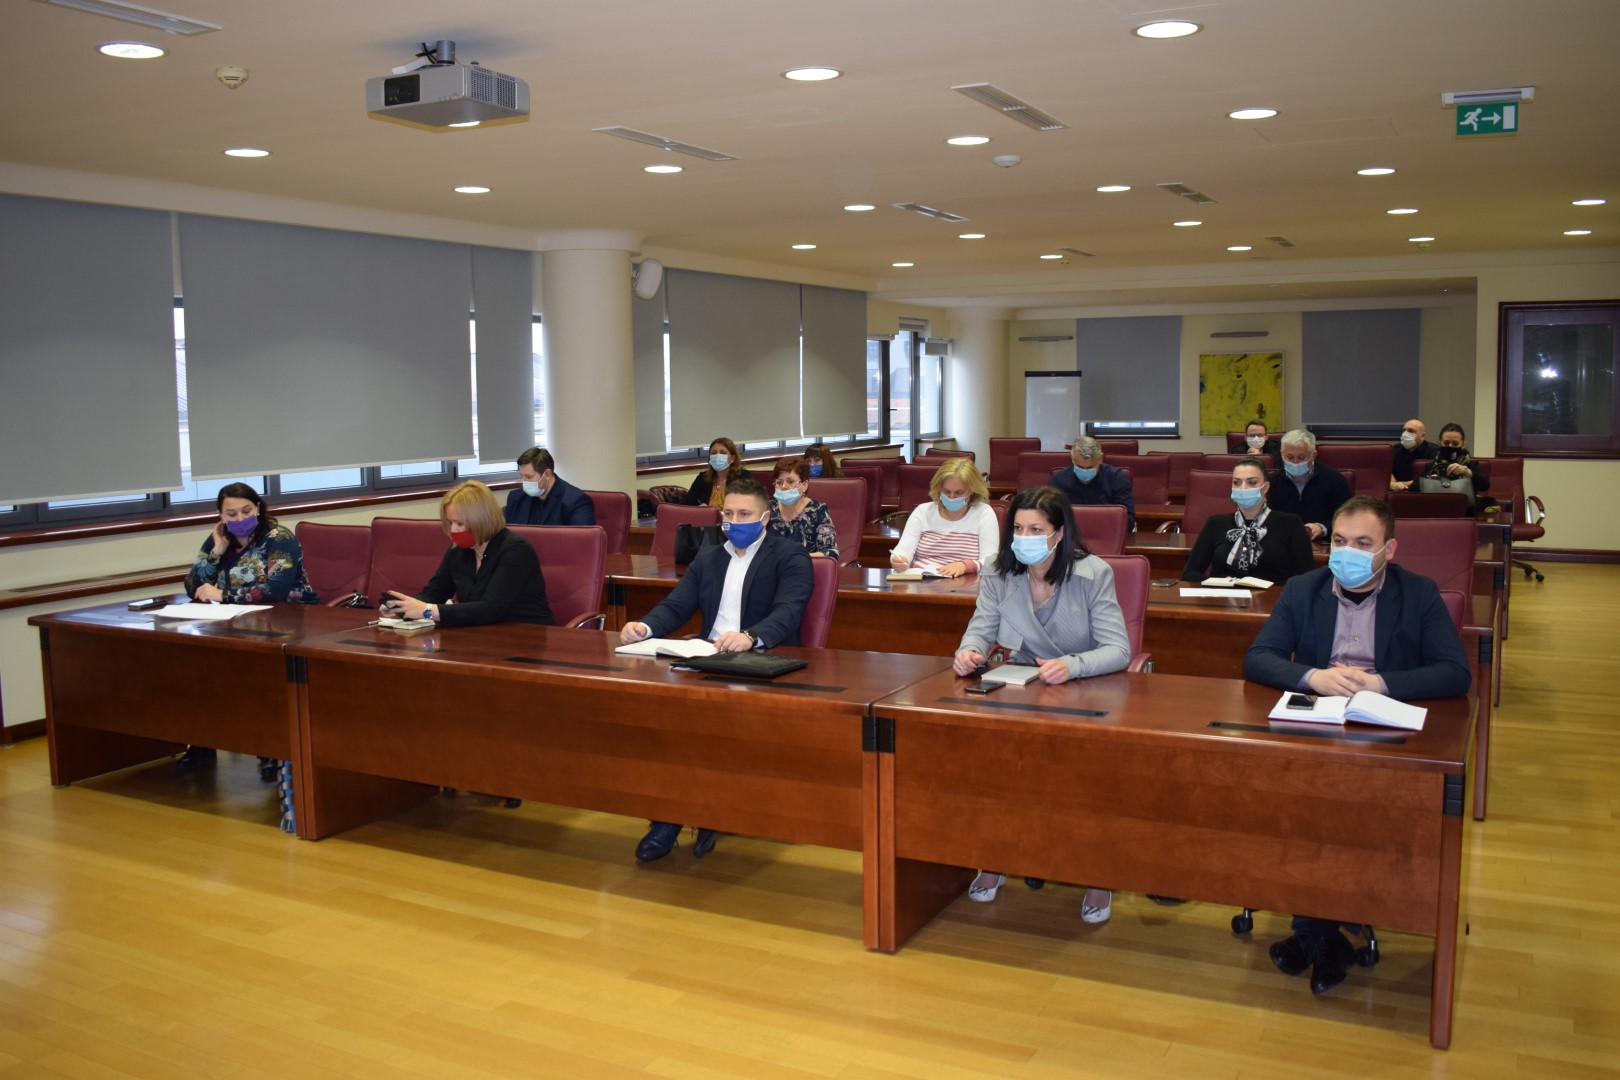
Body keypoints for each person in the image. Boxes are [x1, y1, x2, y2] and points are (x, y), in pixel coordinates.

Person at [1244, 495, 1470, 996]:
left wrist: (1379, 684)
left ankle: (1316, 933)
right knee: (1297, 799)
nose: (1348, 553)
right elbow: (1258, 657)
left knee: (1349, 806)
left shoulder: (1419, 593)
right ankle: (1326, 935)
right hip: (1317, 726)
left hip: (1384, 732)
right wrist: (1313, 676)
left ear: (1390, 549)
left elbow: (1455, 672)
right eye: (1341, 542)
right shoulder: (1304, 588)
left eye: (1363, 544)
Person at [952, 486, 1131, 923]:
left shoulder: (1093, 573)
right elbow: (981, 628)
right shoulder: (999, 572)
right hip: (1022, 686)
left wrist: (1072, 666)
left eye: (1036, 529)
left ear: (1059, 533)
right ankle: (995, 857)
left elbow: (1119, 650)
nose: (1024, 537)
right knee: (991, 765)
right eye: (1018, 528)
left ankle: (1096, 874)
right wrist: (968, 651)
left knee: (1080, 779)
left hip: (1083, 687)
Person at [620, 478, 814, 863]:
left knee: (704, 724)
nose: (734, 522)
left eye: (744, 514)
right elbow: (676, 606)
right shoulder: (709, 556)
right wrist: (644, 626)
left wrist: (750, 636)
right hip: (706, 657)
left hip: (760, 662)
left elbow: (788, 612)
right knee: (665, 720)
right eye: (728, 514)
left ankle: (684, 818)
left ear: (764, 518)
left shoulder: (790, 555)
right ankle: (675, 814)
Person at [181, 482, 319, 777]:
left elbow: (276, 590)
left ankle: (272, 749)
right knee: (197, 665)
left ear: (258, 508)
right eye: (232, 514)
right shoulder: (220, 538)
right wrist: (216, 552)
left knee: (259, 675)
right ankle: (203, 740)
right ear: (220, 515)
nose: (240, 518)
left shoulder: (278, 538)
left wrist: (223, 595)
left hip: (287, 621)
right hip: (232, 622)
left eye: (246, 511)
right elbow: (193, 586)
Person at [381, 480, 554, 628]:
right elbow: (435, 593)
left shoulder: (516, 550)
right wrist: (403, 607)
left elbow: (491, 608)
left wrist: (427, 611)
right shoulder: (458, 551)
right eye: (450, 523)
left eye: (459, 523)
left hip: (526, 635)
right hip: (480, 635)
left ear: (481, 519)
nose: (453, 530)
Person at [1181, 458, 1314, 583]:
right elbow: (1189, 573)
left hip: (1273, 597)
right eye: (1237, 482)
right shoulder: (1215, 524)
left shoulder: (1291, 523)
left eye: (1252, 482)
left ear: (1266, 487)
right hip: (1225, 596)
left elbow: (1306, 577)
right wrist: (1218, 583)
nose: (1243, 488)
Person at [890, 456, 999, 578]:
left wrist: (965, 566)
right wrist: (899, 559)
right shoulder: (923, 511)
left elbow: (991, 561)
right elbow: (904, 548)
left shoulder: (984, 513)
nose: (951, 497)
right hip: (922, 579)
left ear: (972, 490)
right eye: (946, 491)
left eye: (959, 493)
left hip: (964, 583)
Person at [1265, 429, 1352, 541]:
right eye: (1289, 457)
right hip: (1282, 542)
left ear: (1313, 455)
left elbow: (1346, 518)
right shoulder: (1271, 482)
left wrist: (1322, 527)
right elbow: (1265, 519)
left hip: (1322, 543)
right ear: (1282, 454)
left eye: (1301, 457)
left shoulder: (1335, 480)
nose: (1295, 462)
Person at [1050, 436, 1135, 531]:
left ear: (1100, 458)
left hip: (1107, 534)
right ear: (1072, 458)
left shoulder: (1117, 478)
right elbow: (1050, 517)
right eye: (1079, 467)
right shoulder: (1058, 480)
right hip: (1070, 535)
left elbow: (1128, 521)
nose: (1085, 470)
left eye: (1090, 467)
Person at [502, 446, 596, 527]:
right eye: (521, 476)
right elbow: (505, 535)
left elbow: (584, 539)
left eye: (529, 477)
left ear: (547, 474)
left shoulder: (575, 501)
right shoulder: (516, 498)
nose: (524, 482)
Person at [768, 456, 839, 559]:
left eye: (790, 482)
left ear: (804, 485)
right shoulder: (767, 509)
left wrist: (795, 558)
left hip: (805, 566)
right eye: (779, 482)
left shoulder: (818, 510)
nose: (783, 486)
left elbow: (831, 553)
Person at [1421, 423, 1491, 504]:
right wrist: (1429, 480)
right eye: (1446, 443)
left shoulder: (1471, 465)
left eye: (1455, 443)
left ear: (1463, 444)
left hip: (1464, 508)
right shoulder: (1432, 466)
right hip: (1437, 506)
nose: (1450, 446)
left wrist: (1468, 473)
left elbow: (1484, 487)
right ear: (1440, 442)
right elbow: (1414, 488)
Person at [684, 436, 753, 508]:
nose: (717, 456)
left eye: (723, 453)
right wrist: (700, 508)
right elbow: (686, 503)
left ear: (732, 458)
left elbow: (750, 504)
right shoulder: (703, 478)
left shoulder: (743, 477)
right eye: (714, 453)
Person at [1389, 418, 1441, 491]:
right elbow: (1385, 472)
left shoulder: (1433, 451)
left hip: (1421, 492)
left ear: (1422, 436)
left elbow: (1429, 480)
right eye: (1404, 430)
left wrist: (1398, 484)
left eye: (1411, 431)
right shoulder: (1394, 449)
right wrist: (1392, 483)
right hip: (1396, 493)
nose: (1405, 434)